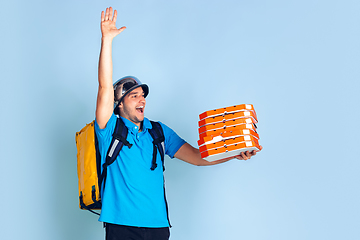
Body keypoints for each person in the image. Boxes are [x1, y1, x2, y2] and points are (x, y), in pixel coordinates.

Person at [95, 7, 262, 240]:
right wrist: (107, 40)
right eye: (134, 96)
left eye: (143, 95)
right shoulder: (110, 129)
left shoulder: (158, 132)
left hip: (159, 226)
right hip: (122, 226)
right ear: (119, 105)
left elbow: (197, 157)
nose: (141, 99)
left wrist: (234, 153)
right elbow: (104, 88)